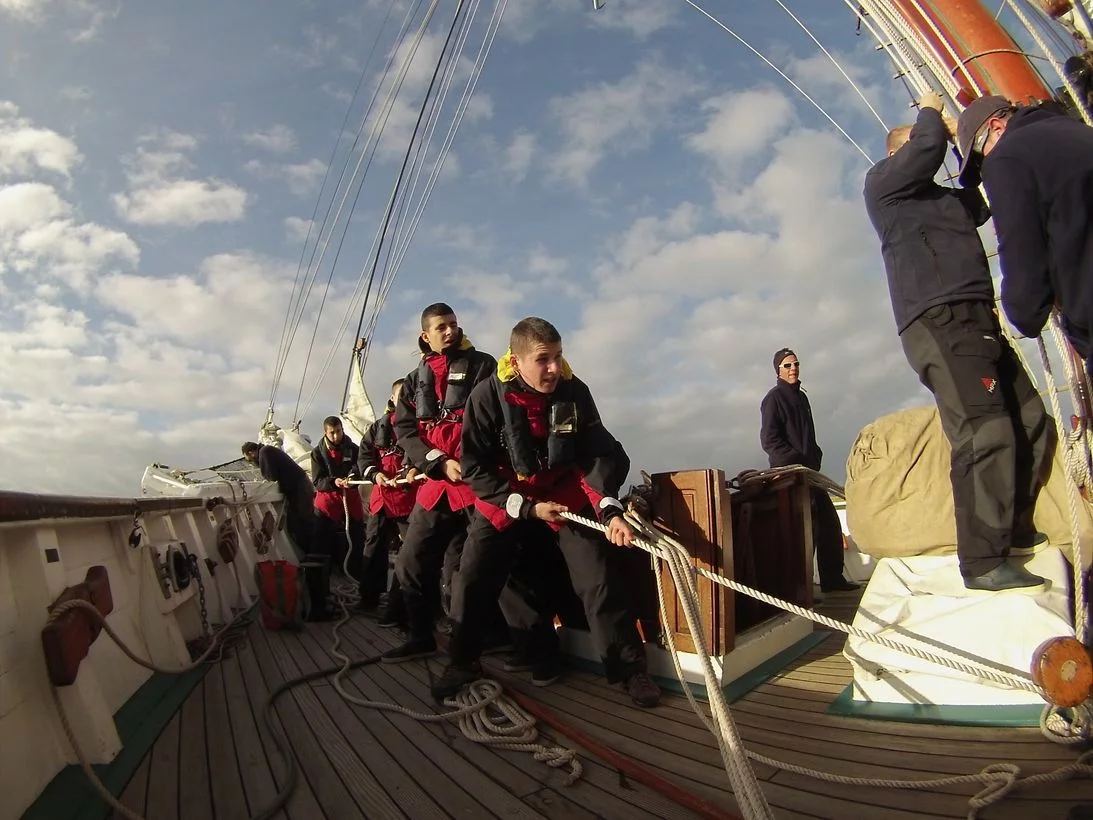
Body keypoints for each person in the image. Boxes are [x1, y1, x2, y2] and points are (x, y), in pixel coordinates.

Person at [865, 91, 1054, 592]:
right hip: (940, 320)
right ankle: (985, 560)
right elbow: (924, 148)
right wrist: (933, 113)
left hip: (979, 319)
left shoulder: (943, 201)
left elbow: (981, 191)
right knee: (985, 431)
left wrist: (970, 141)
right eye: (914, 150)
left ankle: (1012, 528)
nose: (929, 153)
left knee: (1031, 421)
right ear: (895, 157)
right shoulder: (883, 187)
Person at [431, 317, 661, 708]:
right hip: (508, 493)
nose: (554, 368)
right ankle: (464, 661)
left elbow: (599, 453)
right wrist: (527, 508)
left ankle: (628, 669)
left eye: (558, 356)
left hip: (561, 488)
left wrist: (609, 509)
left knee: (598, 576)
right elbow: (475, 468)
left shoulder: (575, 391)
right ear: (517, 361)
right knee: (474, 576)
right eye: (543, 359)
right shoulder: (486, 397)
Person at [381, 303, 500, 663]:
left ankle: (493, 640)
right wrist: (435, 462)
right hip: (437, 483)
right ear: (425, 335)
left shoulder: (483, 365)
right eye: (441, 327)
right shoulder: (415, 380)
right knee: (410, 564)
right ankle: (421, 635)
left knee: (477, 568)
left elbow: (493, 419)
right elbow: (405, 429)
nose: (450, 331)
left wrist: (465, 460)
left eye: (453, 325)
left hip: (475, 481)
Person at [955, 94, 1093, 375]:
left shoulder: (1007, 158)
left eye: (981, 155)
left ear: (996, 126)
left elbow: (1022, 254)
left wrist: (1022, 312)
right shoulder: (1076, 131)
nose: (985, 166)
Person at [760, 348, 859, 594]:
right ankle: (799, 589)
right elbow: (769, 440)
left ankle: (831, 579)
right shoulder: (773, 399)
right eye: (787, 365)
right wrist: (795, 461)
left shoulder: (802, 398)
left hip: (810, 472)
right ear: (778, 370)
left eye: (795, 364)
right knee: (802, 531)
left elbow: (808, 436)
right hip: (791, 474)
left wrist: (815, 455)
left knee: (828, 524)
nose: (793, 368)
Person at [357, 379, 418, 624]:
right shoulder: (376, 429)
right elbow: (364, 457)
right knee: (373, 548)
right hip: (382, 498)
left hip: (409, 499)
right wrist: (375, 474)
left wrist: (410, 471)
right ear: (392, 399)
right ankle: (369, 597)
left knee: (413, 552)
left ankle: (405, 603)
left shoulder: (418, 426)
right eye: (398, 395)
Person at [310, 415, 365, 618]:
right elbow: (317, 481)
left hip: (349, 500)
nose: (336, 435)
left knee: (358, 541)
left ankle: (361, 586)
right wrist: (335, 482)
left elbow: (359, 468)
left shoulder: (354, 449)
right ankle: (320, 596)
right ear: (326, 433)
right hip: (327, 504)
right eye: (332, 432)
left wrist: (352, 478)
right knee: (320, 548)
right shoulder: (317, 453)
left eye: (339, 431)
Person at [241, 440, 315, 557]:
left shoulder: (265, 452)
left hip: (299, 488)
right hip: (298, 487)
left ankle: (314, 552)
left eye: (249, 459)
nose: (251, 462)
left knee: (303, 521)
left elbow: (271, 475)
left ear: (251, 453)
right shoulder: (267, 450)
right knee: (300, 521)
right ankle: (313, 552)